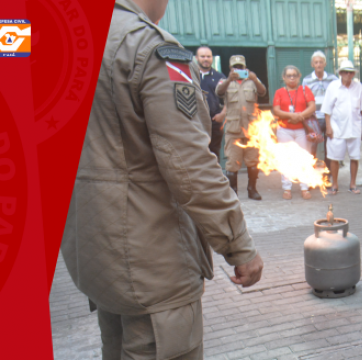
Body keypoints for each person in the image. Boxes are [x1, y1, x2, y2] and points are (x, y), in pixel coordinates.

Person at [62, 0, 264, 359]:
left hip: (95, 253)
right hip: (152, 261)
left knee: (117, 345)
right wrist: (238, 245)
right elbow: (187, 163)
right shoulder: (150, 47)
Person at [216, 54, 267, 200]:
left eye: (241, 67)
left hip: (252, 129)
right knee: (232, 163)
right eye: (235, 67)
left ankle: (252, 190)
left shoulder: (251, 81)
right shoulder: (225, 81)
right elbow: (219, 92)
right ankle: (233, 192)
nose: (238, 69)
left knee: (253, 161)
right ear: (231, 68)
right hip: (233, 129)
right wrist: (228, 79)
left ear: (245, 67)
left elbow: (263, 92)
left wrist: (254, 78)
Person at [322, 59, 362, 195]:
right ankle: (335, 184)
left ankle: (352, 184)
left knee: (355, 157)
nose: (348, 75)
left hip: (354, 127)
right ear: (341, 73)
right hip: (337, 128)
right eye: (345, 72)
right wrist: (328, 127)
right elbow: (327, 110)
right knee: (334, 157)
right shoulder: (333, 86)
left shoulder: (358, 86)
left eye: (350, 72)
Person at [270, 65, 316, 200]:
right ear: (283, 78)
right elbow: (276, 110)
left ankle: (304, 187)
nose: (292, 78)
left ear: (299, 76)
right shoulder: (279, 92)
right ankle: (287, 188)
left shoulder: (305, 90)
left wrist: (299, 116)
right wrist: (292, 116)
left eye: (294, 75)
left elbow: (312, 107)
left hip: (302, 130)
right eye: (289, 75)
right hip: (284, 130)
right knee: (286, 159)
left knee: (304, 159)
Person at [302, 51, 339, 163]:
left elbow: (338, 97)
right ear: (312, 64)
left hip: (330, 118)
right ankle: (311, 172)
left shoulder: (333, 79)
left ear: (325, 64)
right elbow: (304, 100)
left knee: (330, 147)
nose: (318, 64)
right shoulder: (306, 80)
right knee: (312, 147)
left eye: (321, 62)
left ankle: (329, 173)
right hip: (314, 119)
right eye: (316, 62)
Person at [195, 46, 226, 163]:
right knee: (196, 152)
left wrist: (223, 114)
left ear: (212, 58)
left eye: (208, 56)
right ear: (197, 58)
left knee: (214, 153)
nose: (205, 59)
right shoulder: (189, 76)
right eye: (202, 56)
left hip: (214, 122)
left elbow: (230, 97)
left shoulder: (220, 77)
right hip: (195, 122)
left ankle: (214, 179)